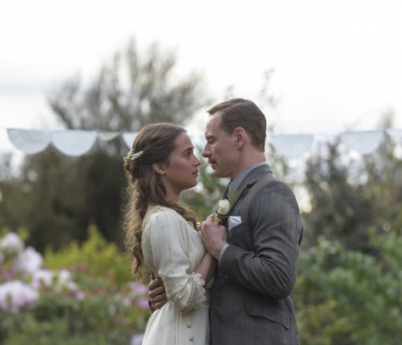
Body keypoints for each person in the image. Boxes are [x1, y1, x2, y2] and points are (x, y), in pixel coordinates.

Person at [148, 98, 304, 345]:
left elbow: (279, 277)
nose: (205, 152)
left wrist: (221, 250)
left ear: (239, 138)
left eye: (211, 140)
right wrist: (169, 290)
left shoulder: (272, 192)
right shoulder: (234, 195)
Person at [123, 123, 216, 345]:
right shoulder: (163, 220)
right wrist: (214, 251)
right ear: (159, 166)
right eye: (187, 154)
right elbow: (184, 298)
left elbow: (178, 285)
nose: (197, 161)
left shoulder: (173, 218)